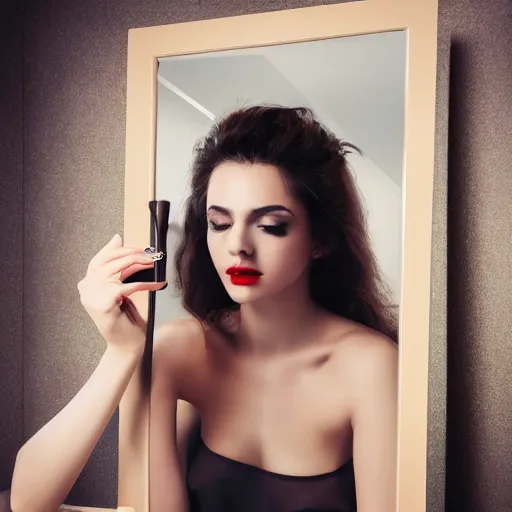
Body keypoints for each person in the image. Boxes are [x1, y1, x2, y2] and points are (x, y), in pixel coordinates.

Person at [10, 106, 398, 512]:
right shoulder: (182, 352)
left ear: (321, 240)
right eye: (220, 223)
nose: (238, 246)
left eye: (270, 226)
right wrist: (121, 353)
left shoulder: (369, 366)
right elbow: (27, 502)